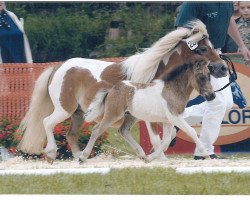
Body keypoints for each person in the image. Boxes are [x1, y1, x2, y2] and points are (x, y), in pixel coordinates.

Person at [175, 2, 250, 160]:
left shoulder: (227, 3)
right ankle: (204, 152)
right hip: (198, 56)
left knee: (227, 103)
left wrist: (242, 45)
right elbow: (180, 31)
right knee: (217, 104)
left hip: (217, 55)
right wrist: (199, 52)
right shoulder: (193, 3)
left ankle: (177, 118)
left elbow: (228, 21)